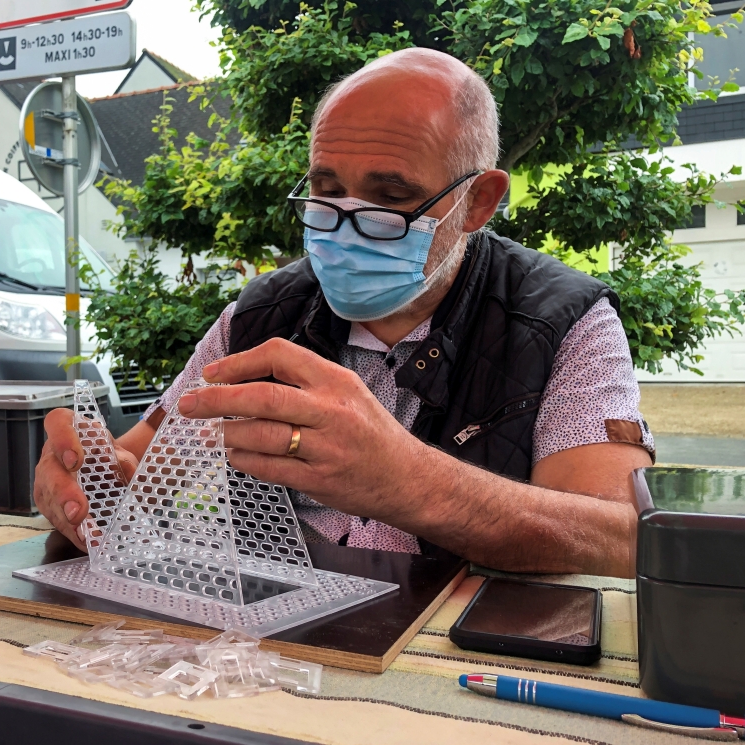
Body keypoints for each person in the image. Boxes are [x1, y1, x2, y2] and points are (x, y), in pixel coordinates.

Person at [35, 48, 654, 578]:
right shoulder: (262, 317)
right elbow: (144, 462)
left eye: (391, 199)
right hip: (272, 637)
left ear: (477, 201)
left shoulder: (560, 322)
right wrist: (89, 483)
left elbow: (620, 537)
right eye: (327, 192)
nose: (348, 228)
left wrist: (407, 481)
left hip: (449, 662)